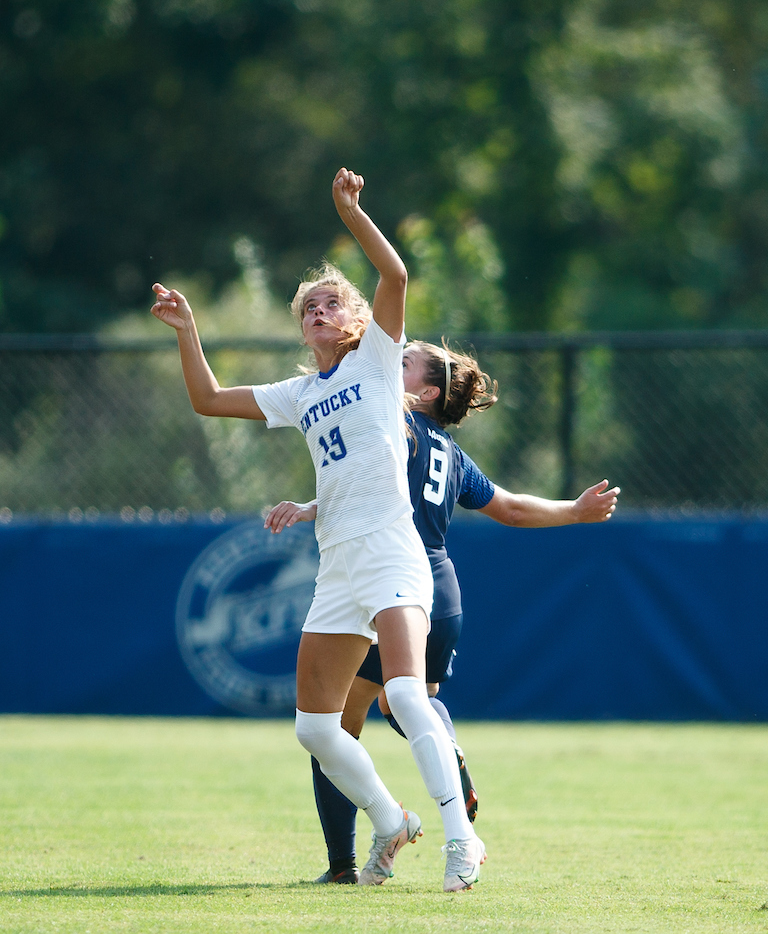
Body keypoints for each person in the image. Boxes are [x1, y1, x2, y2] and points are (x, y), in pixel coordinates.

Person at [151, 168, 486, 892]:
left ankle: (463, 841)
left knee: (402, 694)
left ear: (359, 320)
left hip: (394, 551)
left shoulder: (375, 363)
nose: (318, 310)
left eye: (331, 301)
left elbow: (394, 270)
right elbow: (208, 399)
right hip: (336, 564)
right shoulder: (302, 392)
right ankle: (392, 820)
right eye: (308, 306)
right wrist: (189, 331)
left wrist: (350, 212)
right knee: (312, 728)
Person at [265, 339, 620, 885]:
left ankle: (346, 862)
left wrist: (312, 506)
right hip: (440, 590)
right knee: (403, 702)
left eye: (403, 362)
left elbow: (365, 489)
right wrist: (574, 510)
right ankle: (439, 750)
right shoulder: (449, 452)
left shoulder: (391, 424)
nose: (389, 361)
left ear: (426, 391)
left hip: (388, 581)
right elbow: (509, 507)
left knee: (339, 723)